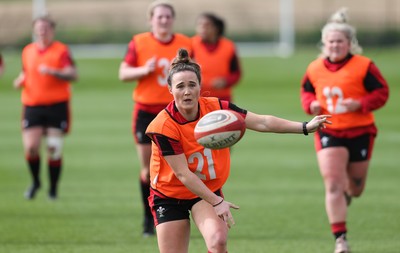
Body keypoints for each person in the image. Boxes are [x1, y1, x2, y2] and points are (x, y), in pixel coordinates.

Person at [145, 48, 330, 253]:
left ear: (200, 86)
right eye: (180, 86)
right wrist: (217, 202)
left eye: (192, 85)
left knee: (218, 241)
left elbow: (262, 122)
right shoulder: (163, 126)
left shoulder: (217, 108)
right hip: (169, 195)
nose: (187, 91)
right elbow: (183, 174)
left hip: (204, 190)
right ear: (170, 89)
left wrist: (304, 127)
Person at [300, 8, 389, 253]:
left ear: (350, 43)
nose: (335, 46)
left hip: (360, 131)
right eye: (331, 42)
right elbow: (306, 91)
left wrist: (360, 104)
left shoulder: (364, 66)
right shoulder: (315, 67)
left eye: (340, 41)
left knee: (356, 188)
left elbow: (382, 92)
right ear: (324, 43)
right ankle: (341, 239)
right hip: (329, 130)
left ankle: (347, 194)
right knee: (333, 184)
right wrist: (311, 105)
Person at [118, 0, 192, 236]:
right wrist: (143, 70)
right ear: (151, 20)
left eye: (167, 16)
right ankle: (148, 218)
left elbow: (195, 73)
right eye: (159, 17)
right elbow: (123, 73)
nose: (163, 20)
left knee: (181, 166)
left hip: (176, 113)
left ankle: (183, 213)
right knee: (148, 170)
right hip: (147, 113)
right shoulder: (139, 42)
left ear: (173, 19)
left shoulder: (185, 43)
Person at [13, 15, 78, 200]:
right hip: (32, 105)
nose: (42, 31)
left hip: (56, 105)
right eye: (39, 28)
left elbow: (73, 73)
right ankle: (36, 181)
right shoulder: (27, 51)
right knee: (32, 147)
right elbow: (26, 72)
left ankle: (53, 189)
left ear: (52, 30)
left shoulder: (61, 50)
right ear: (35, 30)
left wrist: (54, 72)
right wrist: (21, 79)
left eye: (46, 28)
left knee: (53, 148)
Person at [192, 12, 241, 102]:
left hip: (223, 98)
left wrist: (225, 81)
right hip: (198, 97)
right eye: (199, 25)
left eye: (206, 25)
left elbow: (236, 73)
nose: (202, 28)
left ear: (216, 28)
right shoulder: (191, 45)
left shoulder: (228, 46)